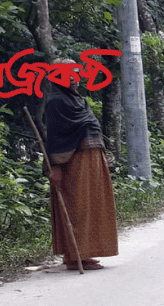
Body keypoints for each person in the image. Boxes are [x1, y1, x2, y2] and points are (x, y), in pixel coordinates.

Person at [44, 58, 118, 270]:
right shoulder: (56, 102)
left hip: (91, 162)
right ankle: (75, 255)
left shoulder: (78, 101)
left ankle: (84, 253)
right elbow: (56, 137)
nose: (74, 78)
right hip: (74, 163)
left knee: (91, 205)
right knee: (78, 206)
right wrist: (56, 167)